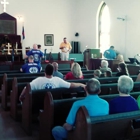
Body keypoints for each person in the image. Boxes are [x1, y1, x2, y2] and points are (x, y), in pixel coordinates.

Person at [19, 64, 85, 101]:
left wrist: (21, 96)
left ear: (44, 72)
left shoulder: (38, 80)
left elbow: (26, 88)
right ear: (53, 72)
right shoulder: (58, 80)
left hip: (39, 103)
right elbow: (71, 85)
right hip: (54, 103)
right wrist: (81, 84)